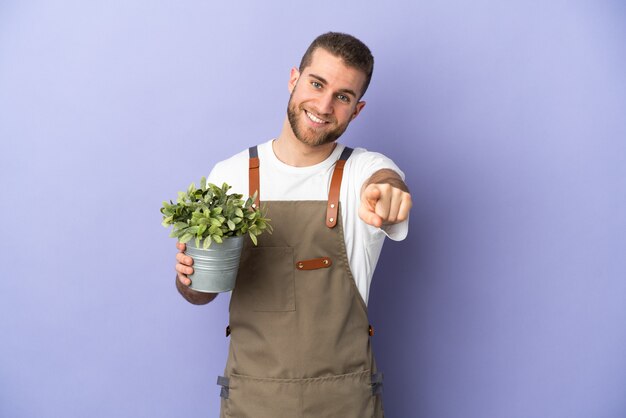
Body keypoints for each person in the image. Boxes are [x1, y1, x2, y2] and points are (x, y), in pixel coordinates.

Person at [174, 32, 411, 418]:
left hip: (346, 402)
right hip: (252, 399)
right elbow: (201, 293)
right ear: (293, 79)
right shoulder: (230, 175)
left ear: (357, 110)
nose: (323, 104)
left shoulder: (362, 171)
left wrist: (389, 191)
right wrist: (189, 279)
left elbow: (386, 180)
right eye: (316, 84)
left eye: (343, 96)